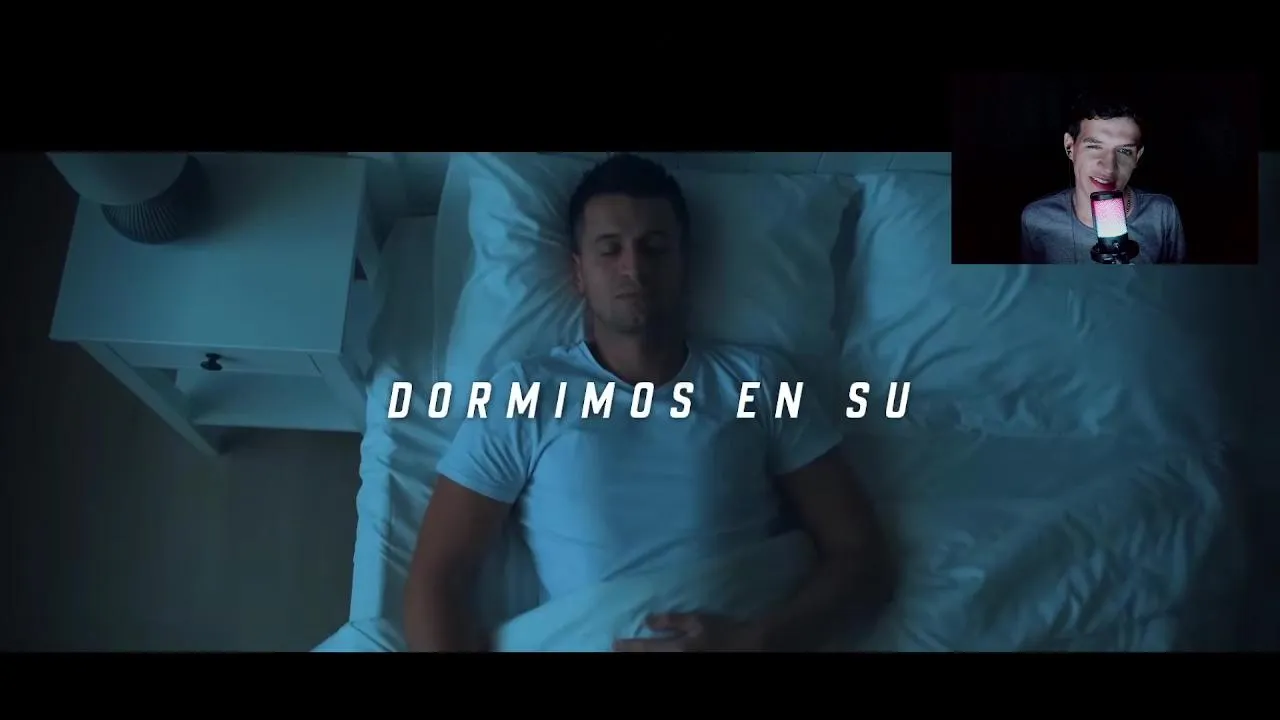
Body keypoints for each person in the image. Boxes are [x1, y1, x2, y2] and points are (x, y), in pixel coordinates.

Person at [403, 154, 891, 652]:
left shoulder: (759, 383)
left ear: (684, 263)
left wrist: (756, 641)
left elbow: (862, 556)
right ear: (579, 273)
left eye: (654, 248)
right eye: (609, 249)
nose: (633, 268)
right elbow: (438, 577)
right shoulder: (526, 395)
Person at [1020, 94, 1187, 264]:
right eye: (1094, 146)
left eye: (1124, 151)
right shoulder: (1037, 219)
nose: (1109, 168)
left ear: (1137, 156)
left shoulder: (1162, 214)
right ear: (1069, 147)